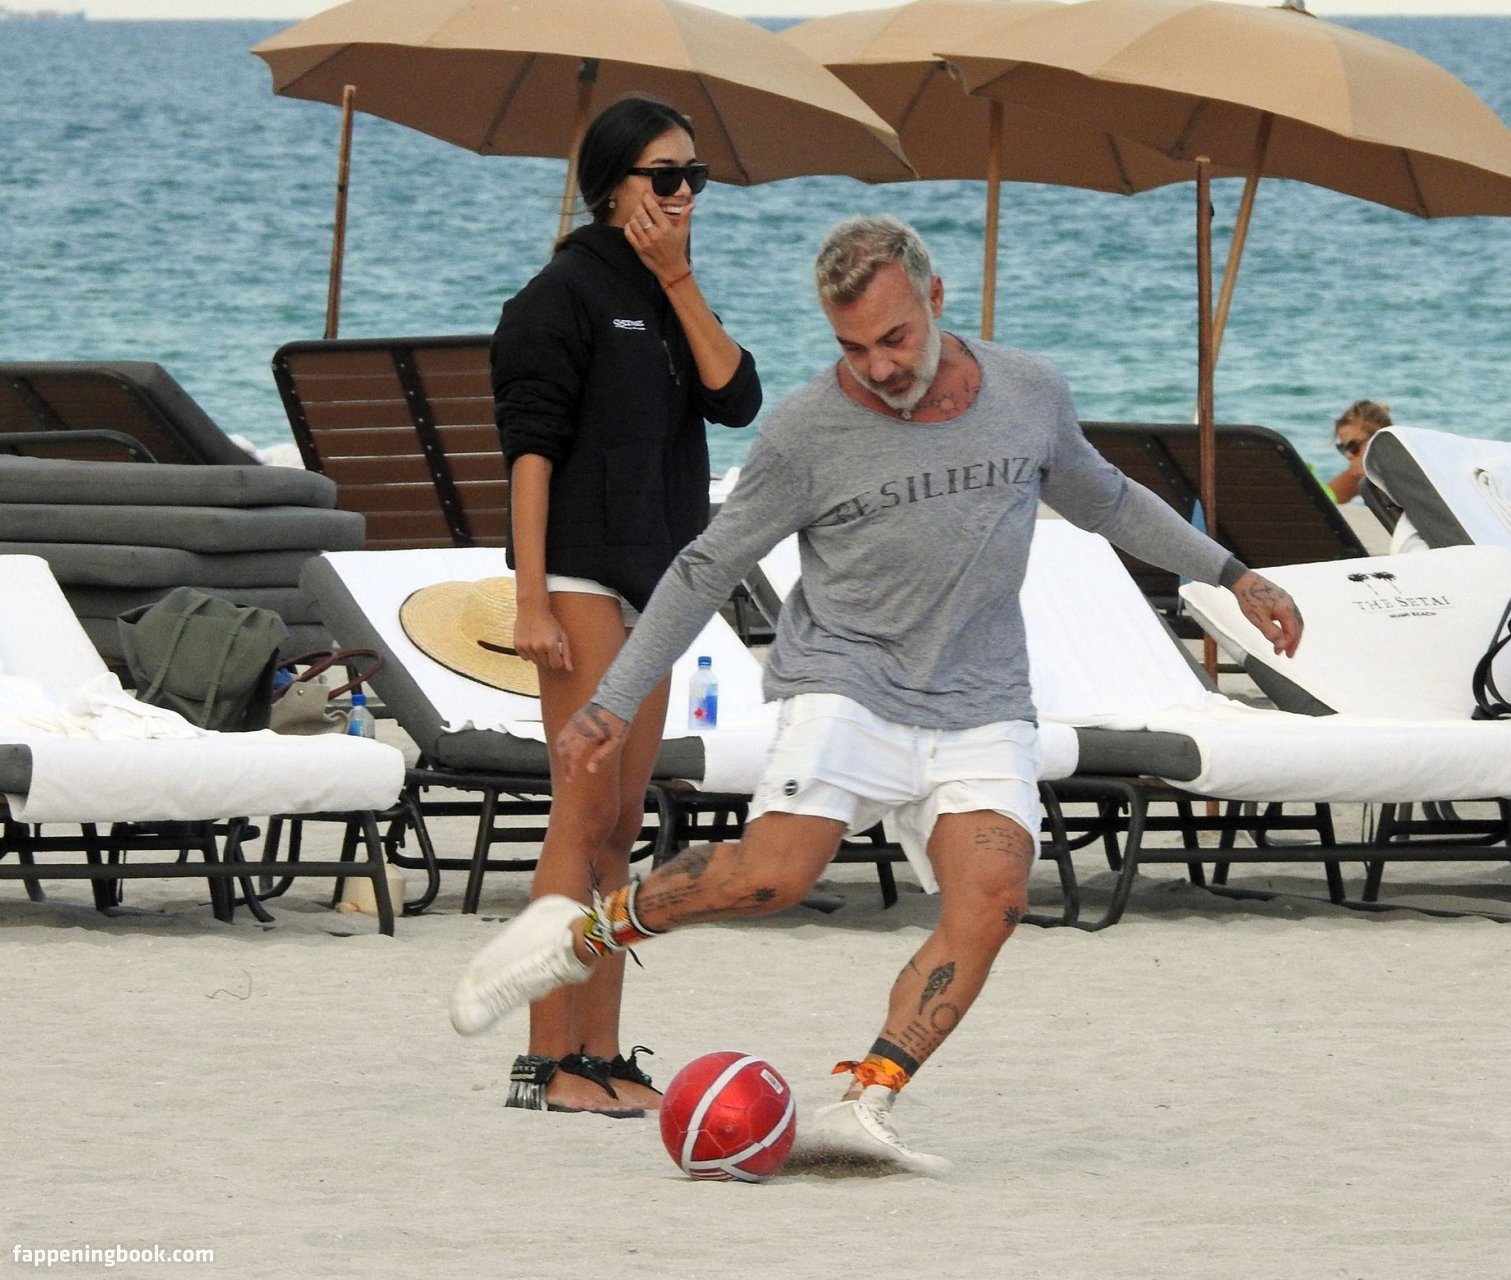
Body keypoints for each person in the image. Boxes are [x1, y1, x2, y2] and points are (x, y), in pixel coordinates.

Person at [458, 214, 1300, 1168]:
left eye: (895, 338)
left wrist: (1231, 575)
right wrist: (614, 699)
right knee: (773, 877)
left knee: (992, 900)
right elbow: (705, 567)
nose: (879, 367)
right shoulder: (807, 429)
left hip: (981, 695)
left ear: (935, 298)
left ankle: (866, 1100)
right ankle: (578, 934)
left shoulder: (1027, 391)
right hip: (846, 679)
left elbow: (1105, 499)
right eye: (852, 347)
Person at [488, 96, 761, 1116]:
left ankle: (599, 1054)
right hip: (578, 576)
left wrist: (680, 280)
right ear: (612, 186)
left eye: (695, 176)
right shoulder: (557, 296)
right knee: (582, 812)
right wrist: (530, 600)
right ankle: (542, 1060)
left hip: (661, 581)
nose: (685, 193)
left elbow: (737, 398)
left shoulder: (667, 292)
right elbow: (529, 456)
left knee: (620, 823)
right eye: (665, 175)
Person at [1328, 399, 1392, 504]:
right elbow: (1322, 499)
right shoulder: (1361, 479)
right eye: (1342, 448)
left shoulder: (1403, 472)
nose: (1348, 455)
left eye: (1353, 446)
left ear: (1378, 440)